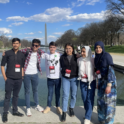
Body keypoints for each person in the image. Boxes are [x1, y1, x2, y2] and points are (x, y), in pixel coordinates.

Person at [1, 38, 25, 123]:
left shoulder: (22, 54)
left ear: (19, 44)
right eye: (14, 43)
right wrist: (5, 78)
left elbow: (22, 66)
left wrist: (22, 76)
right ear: (12, 44)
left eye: (17, 43)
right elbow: (2, 66)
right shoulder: (7, 53)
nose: (15, 44)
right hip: (9, 79)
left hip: (18, 79)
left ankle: (15, 111)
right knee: (7, 96)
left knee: (16, 96)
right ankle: (5, 113)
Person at [20, 39, 44, 116]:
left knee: (35, 90)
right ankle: (28, 108)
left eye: (36, 45)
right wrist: (5, 53)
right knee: (27, 91)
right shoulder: (26, 50)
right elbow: (16, 51)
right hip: (26, 74)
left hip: (35, 74)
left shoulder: (40, 52)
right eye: (33, 45)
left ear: (39, 46)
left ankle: (37, 105)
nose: (34, 46)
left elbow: (50, 54)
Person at [94, 41, 117, 124]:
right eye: (96, 48)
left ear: (102, 48)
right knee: (100, 102)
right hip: (101, 82)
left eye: (100, 47)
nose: (98, 49)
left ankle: (109, 121)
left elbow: (111, 71)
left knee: (109, 103)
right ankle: (101, 119)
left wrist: (109, 85)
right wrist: (97, 82)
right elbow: (97, 72)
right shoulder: (96, 58)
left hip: (108, 82)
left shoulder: (107, 56)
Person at [41, 42, 62, 114]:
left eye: (53, 47)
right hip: (50, 78)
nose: (52, 48)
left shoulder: (59, 55)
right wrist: (29, 49)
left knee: (57, 93)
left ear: (55, 48)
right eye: (51, 47)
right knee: (50, 93)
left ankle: (58, 107)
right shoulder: (46, 54)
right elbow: (37, 52)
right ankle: (48, 107)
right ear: (49, 48)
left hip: (58, 77)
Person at [77, 46, 96, 124]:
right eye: (81, 51)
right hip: (82, 81)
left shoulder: (92, 60)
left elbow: (96, 70)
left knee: (89, 99)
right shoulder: (79, 60)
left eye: (84, 51)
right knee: (84, 98)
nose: (82, 53)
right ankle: (89, 113)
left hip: (91, 81)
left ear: (88, 52)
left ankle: (87, 117)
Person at [60, 43, 78, 122]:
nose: (68, 50)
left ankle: (71, 108)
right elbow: (60, 66)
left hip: (74, 78)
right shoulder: (62, 57)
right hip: (65, 78)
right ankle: (64, 112)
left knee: (74, 95)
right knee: (65, 95)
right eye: (66, 48)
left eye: (70, 48)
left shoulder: (76, 57)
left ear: (73, 49)